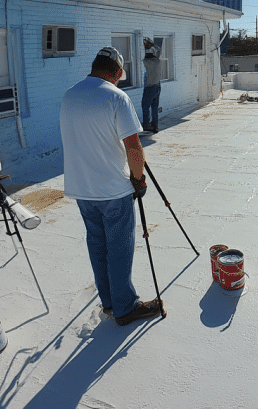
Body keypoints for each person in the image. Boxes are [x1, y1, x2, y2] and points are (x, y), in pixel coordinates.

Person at [60, 46, 164, 326]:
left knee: (97, 246)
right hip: (112, 190)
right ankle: (125, 307)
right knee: (119, 249)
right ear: (117, 72)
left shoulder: (70, 94)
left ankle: (109, 301)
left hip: (82, 189)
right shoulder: (116, 97)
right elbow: (133, 146)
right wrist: (139, 180)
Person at [141, 38, 162, 133]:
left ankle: (146, 125)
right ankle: (155, 126)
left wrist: (143, 47)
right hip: (157, 86)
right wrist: (152, 45)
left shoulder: (146, 62)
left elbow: (139, 56)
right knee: (154, 107)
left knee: (145, 106)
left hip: (150, 87)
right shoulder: (157, 60)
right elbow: (159, 50)